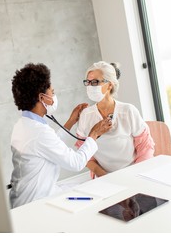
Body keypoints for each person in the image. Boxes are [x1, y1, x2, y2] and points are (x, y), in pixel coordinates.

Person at [9, 62, 112, 208]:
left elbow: (50, 144)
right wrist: (94, 133)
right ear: (42, 98)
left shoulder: (23, 124)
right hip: (34, 204)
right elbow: (76, 163)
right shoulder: (37, 132)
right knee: (93, 200)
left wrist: (71, 121)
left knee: (84, 192)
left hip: (28, 196)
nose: (54, 96)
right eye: (53, 92)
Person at [75, 61, 155, 178]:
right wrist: (104, 176)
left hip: (134, 174)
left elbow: (145, 148)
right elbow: (84, 154)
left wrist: (136, 176)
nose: (90, 86)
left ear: (110, 85)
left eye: (95, 82)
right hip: (102, 177)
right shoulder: (86, 115)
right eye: (88, 82)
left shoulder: (128, 111)